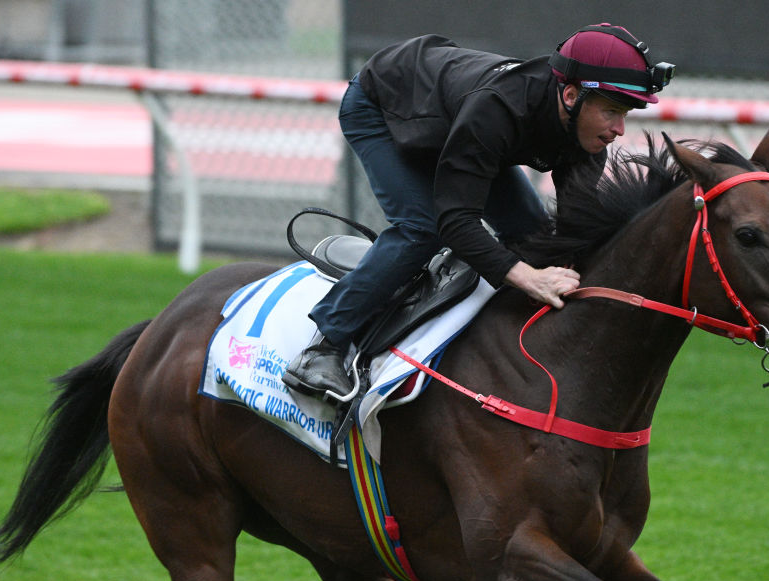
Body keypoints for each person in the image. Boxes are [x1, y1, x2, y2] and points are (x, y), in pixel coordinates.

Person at [283, 23, 674, 400]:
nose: (620, 129)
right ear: (571, 96)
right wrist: (527, 277)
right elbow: (455, 220)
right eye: (612, 111)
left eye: (627, 114)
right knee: (422, 230)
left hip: (455, 121)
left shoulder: (584, 133)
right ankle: (324, 346)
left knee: (535, 235)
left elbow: (571, 237)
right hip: (382, 105)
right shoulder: (498, 109)